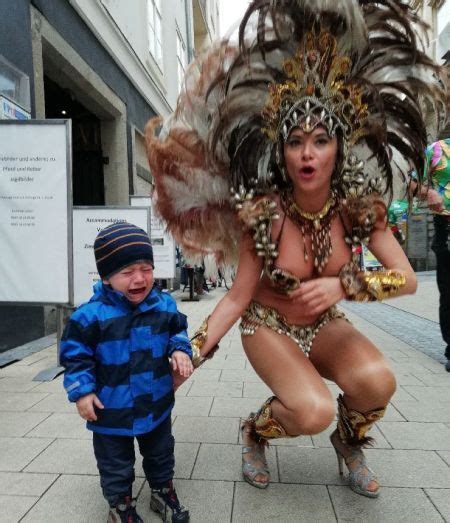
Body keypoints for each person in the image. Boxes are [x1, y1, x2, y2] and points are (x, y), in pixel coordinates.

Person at [145, 0, 446, 498]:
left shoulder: (358, 208)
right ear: (281, 150)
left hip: (328, 325)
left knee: (377, 381)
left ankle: (350, 443)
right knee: (311, 410)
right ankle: (254, 431)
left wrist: (342, 284)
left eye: (321, 139)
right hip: (268, 325)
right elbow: (238, 298)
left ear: (340, 146)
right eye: (296, 140)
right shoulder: (263, 212)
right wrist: (189, 355)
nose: (308, 153)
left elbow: (408, 279)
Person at [60, 223, 192, 522]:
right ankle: (120, 505)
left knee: (161, 452)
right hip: (111, 409)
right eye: (128, 271)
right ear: (106, 277)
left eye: (146, 268)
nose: (140, 278)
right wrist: (82, 392)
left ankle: (162, 490)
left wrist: (180, 349)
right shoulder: (89, 317)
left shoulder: (164, 304)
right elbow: (75, 358)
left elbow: (178, 330)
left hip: (156, 401)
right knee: (115, 462)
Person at [410, 139, 450, 371]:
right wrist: (430, 193)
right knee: (449, 292)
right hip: (446, 227)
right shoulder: (436, 150)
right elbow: (412, 183)